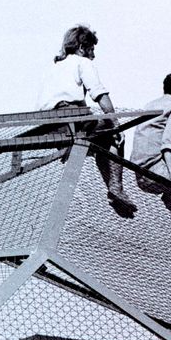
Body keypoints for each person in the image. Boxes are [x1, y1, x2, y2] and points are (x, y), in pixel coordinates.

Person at [37, 25, 135, 213]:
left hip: (47, 126)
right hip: (69, 117)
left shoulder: (53, 67)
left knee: (101, 142)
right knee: (113, 132)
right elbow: (99, 94)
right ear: (82, 47)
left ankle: (114, 190)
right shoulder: (82, 62)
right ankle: (116, 187)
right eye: (91, 50)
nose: (93, 56)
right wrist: (115, 123)